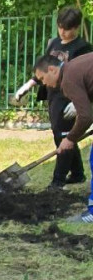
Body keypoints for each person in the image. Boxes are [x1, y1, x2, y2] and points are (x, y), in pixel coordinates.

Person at [14, 7, 92, 189]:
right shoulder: (54, 43)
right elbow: (44, 68)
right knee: (61, 136)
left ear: (77, 27)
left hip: (72, 97)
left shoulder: (82, 47)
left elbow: (86, 83)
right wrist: (28, 85)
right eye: (60, 27)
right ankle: (78, 173)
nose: (63, 32)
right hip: (56, 95)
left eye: (67, 28)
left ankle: (58, 179)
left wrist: (79, 103)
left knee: (65, 136)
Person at [33, 53, 93, 223]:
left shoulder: (68, 79)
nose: (44, 83)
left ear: (52, 70)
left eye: (42, 78)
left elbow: (86, 117)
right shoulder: (74, 67)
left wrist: (70, 139)